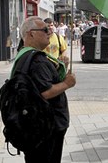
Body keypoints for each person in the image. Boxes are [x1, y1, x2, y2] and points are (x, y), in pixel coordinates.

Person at [17, 16, 76, 162]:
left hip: (37, 126)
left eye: (49, 29)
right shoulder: (37, 60)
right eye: (44, 29)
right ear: (31, 33)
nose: (49, 32)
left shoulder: (26, 54)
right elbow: (45, 92)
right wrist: (67, 83)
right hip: (47, 127)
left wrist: (64, 68)